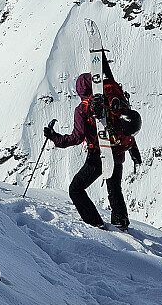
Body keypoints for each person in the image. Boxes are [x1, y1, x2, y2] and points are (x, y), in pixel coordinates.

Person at [43, 66, 141, 230]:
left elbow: (76, 138)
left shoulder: (83, 109)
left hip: (98, 155)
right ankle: (121, 221)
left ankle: (94, 223)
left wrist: (54, 136)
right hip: (117, 151)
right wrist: (132, 150)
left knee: (76, 189)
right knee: (114, 188)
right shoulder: (111, 98)